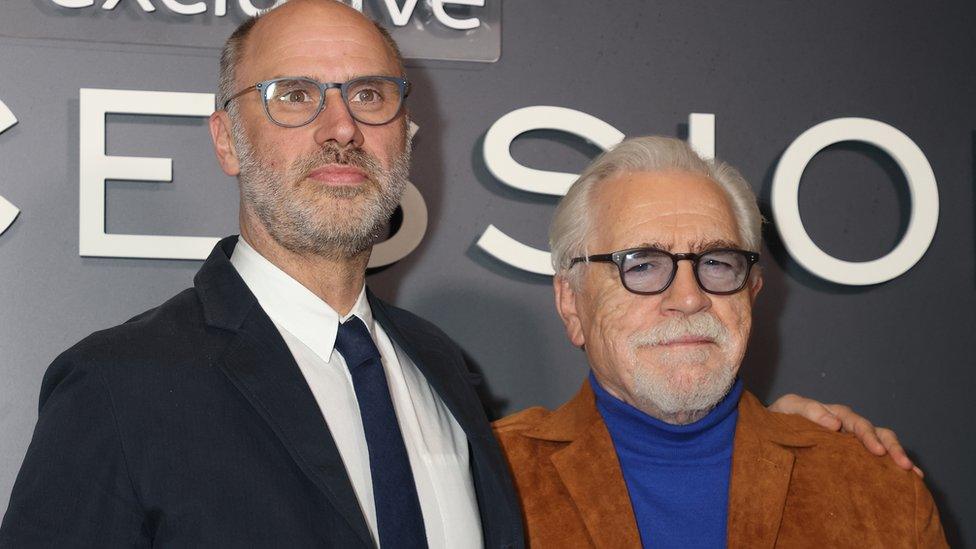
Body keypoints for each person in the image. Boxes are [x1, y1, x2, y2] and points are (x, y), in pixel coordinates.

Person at [0, 1, 919, 547]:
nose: (339, 126)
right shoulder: (120, 388)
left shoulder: (441, 378)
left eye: (369, 94)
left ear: (404, 134)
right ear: (225, 138)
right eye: (293, 96)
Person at [493, 136, 948, 547]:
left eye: (716, 263)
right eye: (642, 265)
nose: (690, 298)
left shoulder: (876, 491)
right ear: (571, 302)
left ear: (751, 291)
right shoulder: (487, 478)